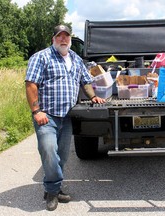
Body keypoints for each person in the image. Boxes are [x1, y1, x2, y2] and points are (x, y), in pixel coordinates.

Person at [25, 24, 106, 211]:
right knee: (49, 151)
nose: (63, 39)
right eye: (59, 36)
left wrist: (93, 96)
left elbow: (85, 80)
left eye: (66, 36)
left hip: (67, 116)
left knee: (61, 157)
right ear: (53, 39)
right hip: (47, 116)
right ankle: (53, 192)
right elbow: (31, 85)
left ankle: (52, 186)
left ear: (70, 39)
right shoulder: (41, 57)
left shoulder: (76, 59)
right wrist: (37, 111)